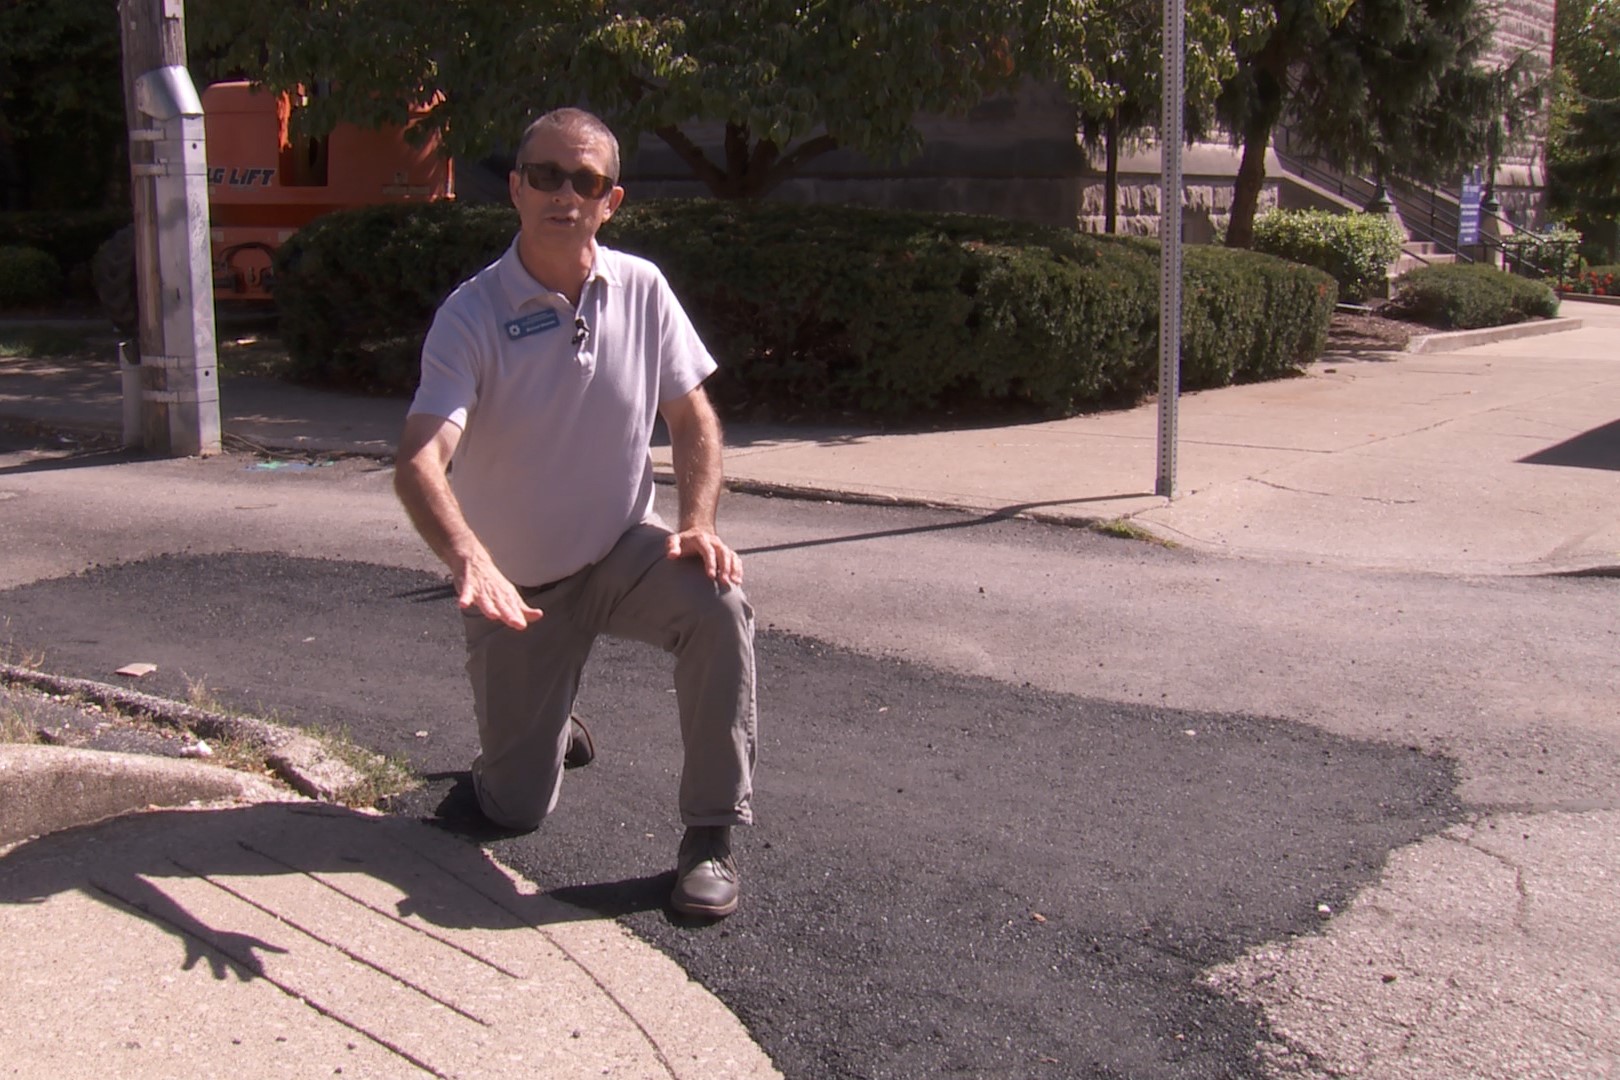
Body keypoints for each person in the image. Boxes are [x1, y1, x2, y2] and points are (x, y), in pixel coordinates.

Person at [392, 107, 757, 918]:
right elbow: (420, 458)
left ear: (611, 199)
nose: (565, 193)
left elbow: (693, 417)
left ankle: (709, 838)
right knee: (511, 811)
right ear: (516, 188)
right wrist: (468, 560)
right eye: (547, 175)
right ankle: (547, 726)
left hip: (625, 553)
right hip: (517, 593)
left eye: (585, 181)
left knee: (719, 603)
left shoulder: (643, 288)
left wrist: (696, 521)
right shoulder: (472, 314)